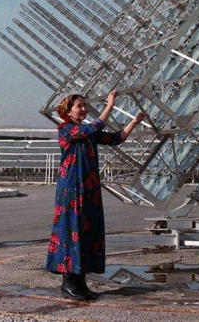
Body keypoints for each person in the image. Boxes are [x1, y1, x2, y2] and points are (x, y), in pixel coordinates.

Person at [45, 90, 146, 300]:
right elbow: (96, 126)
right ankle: (68, 282)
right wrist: (109, 105)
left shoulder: (87, 132)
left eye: (84, 105)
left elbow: (116, 138)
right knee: (71, 230)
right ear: (69, 111)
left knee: (86, 231)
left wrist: (135, 121)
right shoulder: (66, 129)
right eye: (79, 106)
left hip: (89, 189)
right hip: (72, 189)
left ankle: (80, 282)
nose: (83, 109)